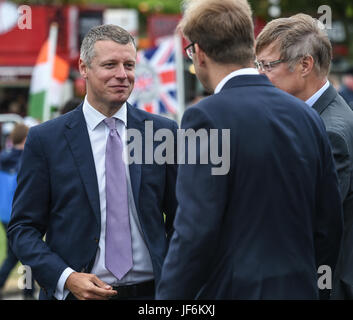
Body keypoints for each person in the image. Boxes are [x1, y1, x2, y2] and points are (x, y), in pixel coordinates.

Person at [156, 0, 343, 300]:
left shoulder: (204, 117)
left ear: (199, 53)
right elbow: (329, 224)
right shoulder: (306, 114)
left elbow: (194, 232)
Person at [7, 24, 178, 300]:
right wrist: (67, 277)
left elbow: (181, 219)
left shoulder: (162, 133)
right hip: (76, 294)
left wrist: (174, 274)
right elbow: (22, 229)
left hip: (153, 294)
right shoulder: (45, 140)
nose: (122, 75)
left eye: (129, 65)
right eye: (110, 65)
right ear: (84, 68)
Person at [255, 13, 353, 299]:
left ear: (305, 65)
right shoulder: (316, 116)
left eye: (268, 65)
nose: (260, 75)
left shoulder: (330, 131)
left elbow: (310, 224)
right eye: (257, 65)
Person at [0, 123, 35, 299]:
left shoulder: (2, 156)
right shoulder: (25, 159)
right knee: (24, 256)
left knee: (14, 255)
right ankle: (28, 293)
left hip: (4, 213)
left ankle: (28, 291)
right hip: (20, 213)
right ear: (26, 138)